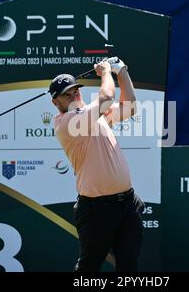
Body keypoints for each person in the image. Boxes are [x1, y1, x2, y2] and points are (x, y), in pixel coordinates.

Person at [48, 57, 145, 272]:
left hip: (127, 204)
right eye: (67, 94)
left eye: (76, 91)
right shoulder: (67, 123)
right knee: (88, 268)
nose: (74, 96)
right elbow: (107, 96)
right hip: (96, 210)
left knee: (129, 267)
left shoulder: (94, 116)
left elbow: (129, 107)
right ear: (56, 102)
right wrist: (106, 72)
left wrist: (122, 71)